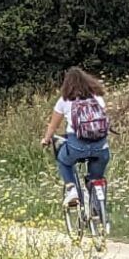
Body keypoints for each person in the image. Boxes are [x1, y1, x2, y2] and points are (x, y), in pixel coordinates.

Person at [40, 67, 111, 207]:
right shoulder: (97, 98)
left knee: (63, 159)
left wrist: (46, 140)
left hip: (77, 146)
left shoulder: (64, 101)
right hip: (101, 147)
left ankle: (72, 189)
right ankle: (98, 209)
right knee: (95, 178)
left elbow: (53, 126)